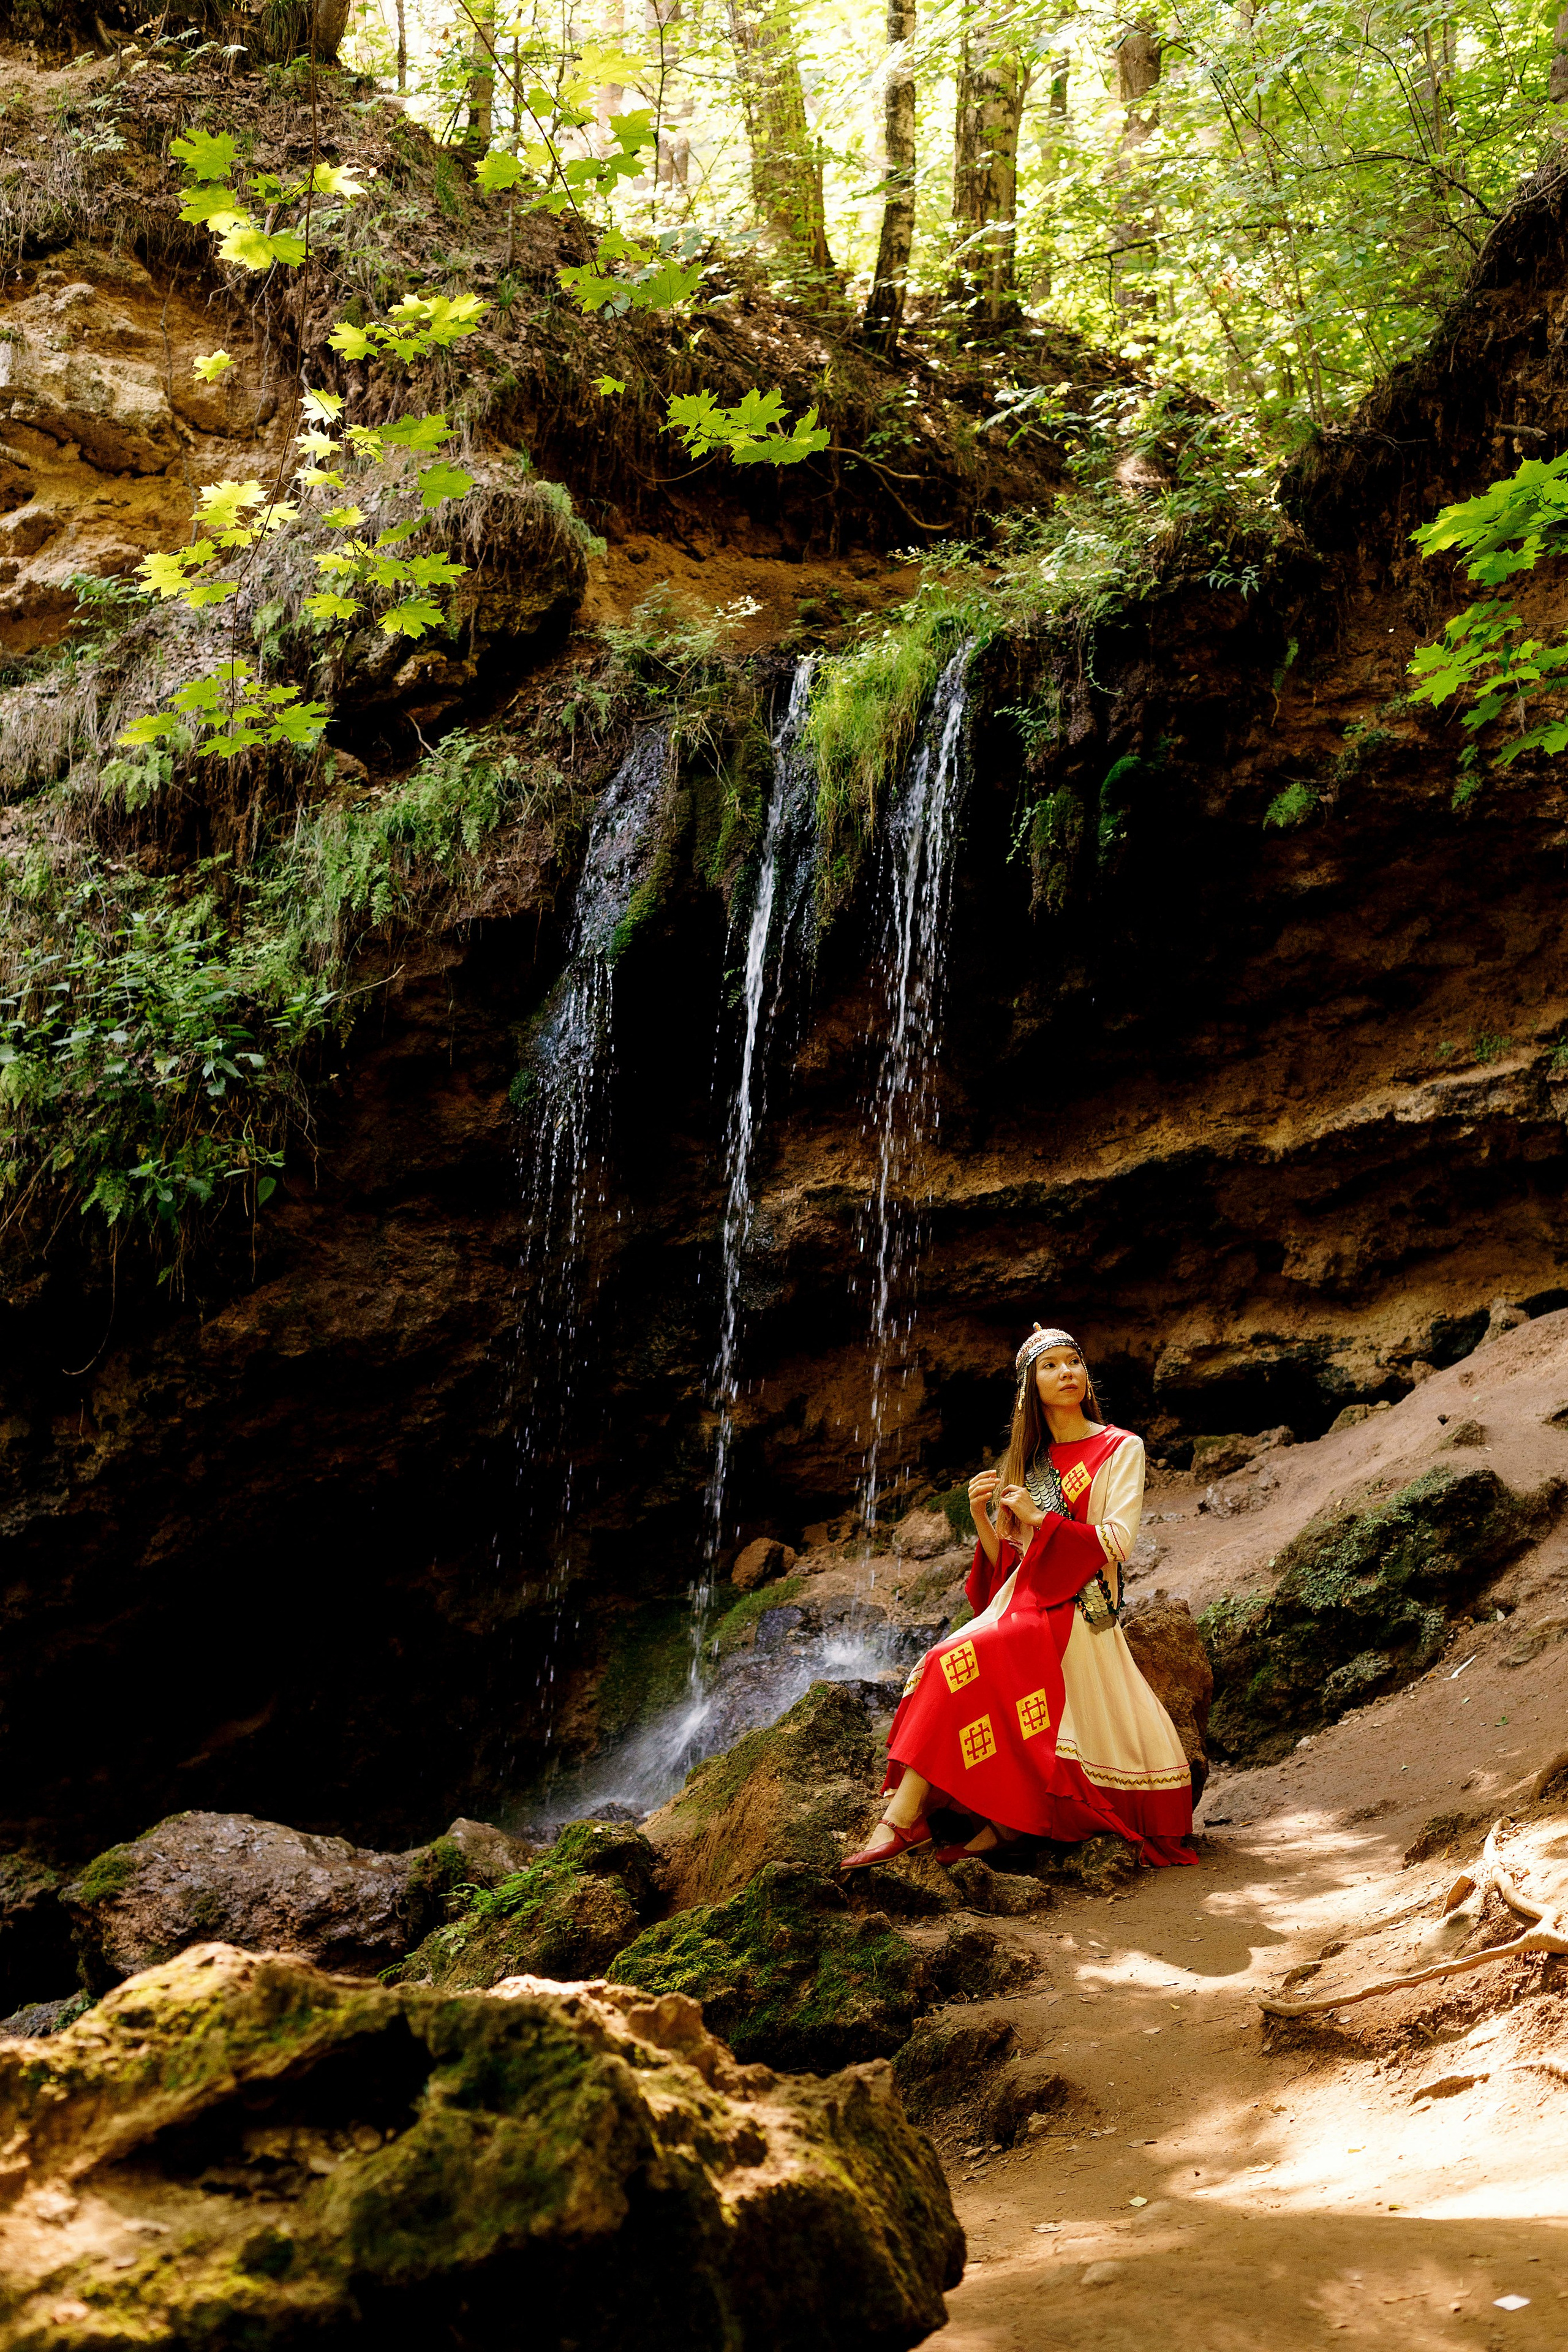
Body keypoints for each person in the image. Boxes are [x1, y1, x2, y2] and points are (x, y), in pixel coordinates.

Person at [843, 1324, 1196, 1871]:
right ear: (1031, 1386)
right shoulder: (1026, 1460)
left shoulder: (1122, 1447)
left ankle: (906, 1821)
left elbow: (1117, 1544)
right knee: (944, 1662)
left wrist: (1040, 1516)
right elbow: (1011, 1562)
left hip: (1081, 1603)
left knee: (953, 1659)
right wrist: (985, 1518)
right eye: (1050, 1366)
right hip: (1025, 1598)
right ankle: (976, 1821)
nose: (1067, 1373)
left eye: (1073, 1362)